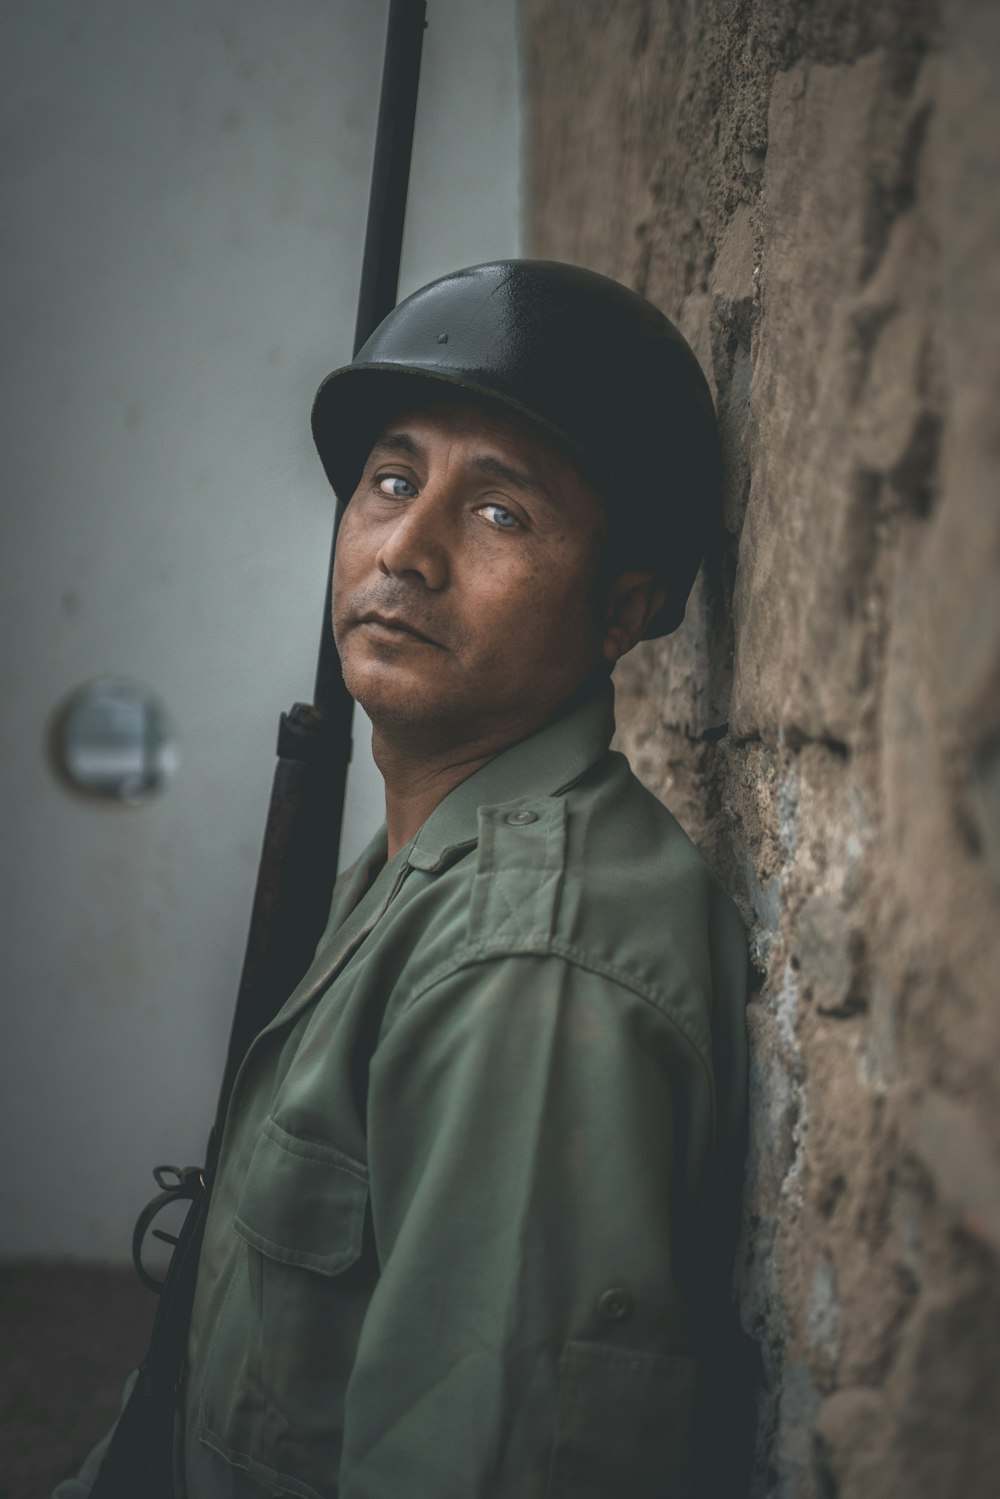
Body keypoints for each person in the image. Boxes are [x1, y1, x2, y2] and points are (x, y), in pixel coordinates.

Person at [60, 261, 749, 1498]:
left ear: (621, 608)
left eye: (500, 513)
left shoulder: (521, 961)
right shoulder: (413, 864)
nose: (406, 549)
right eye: (391, 479)